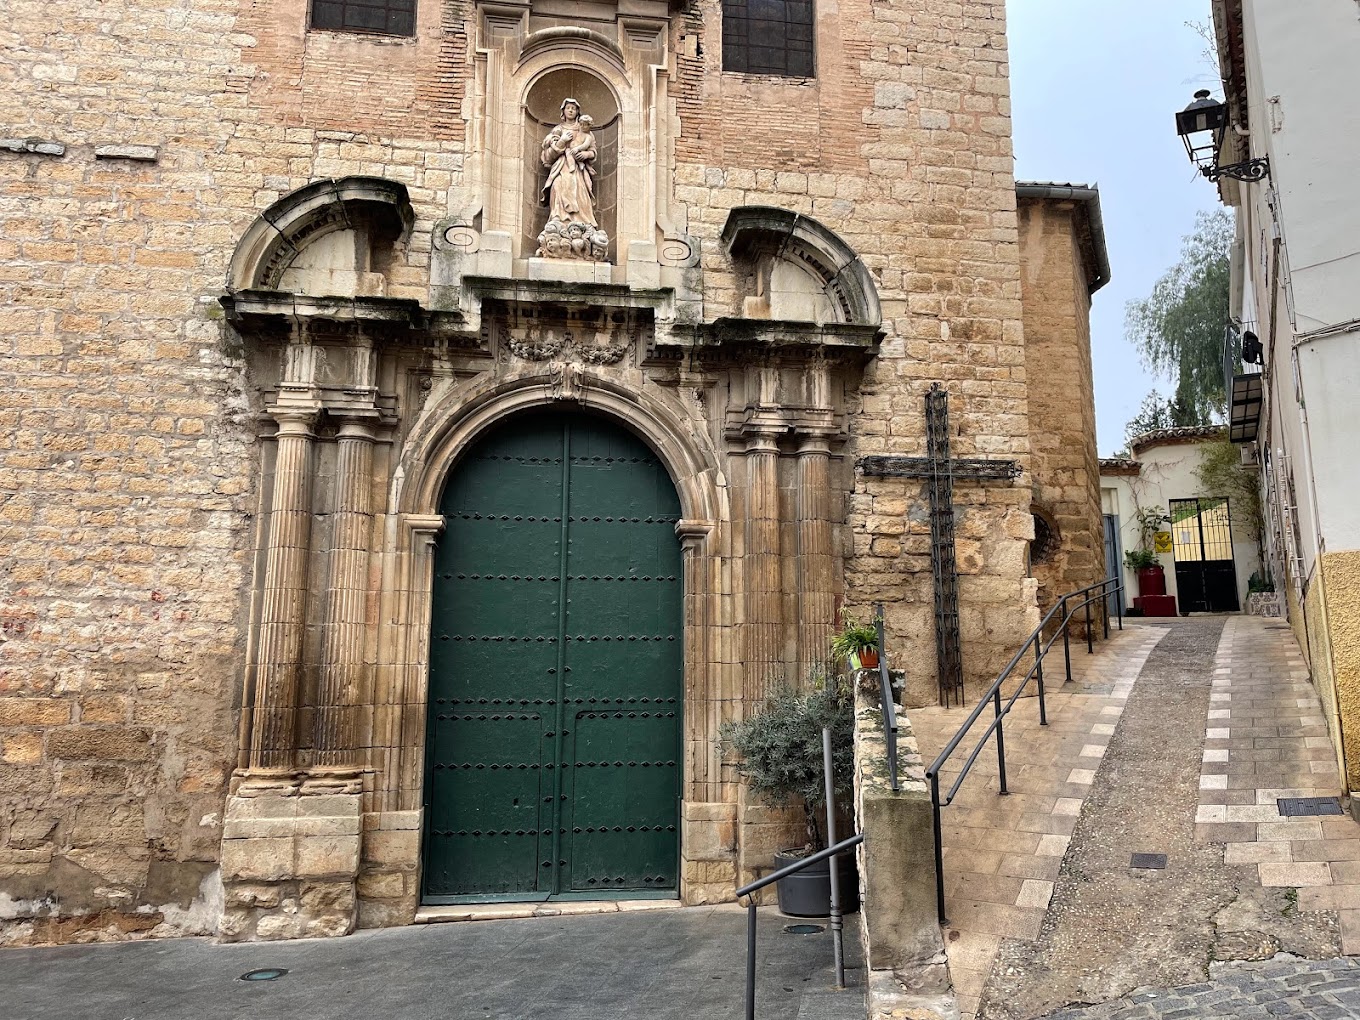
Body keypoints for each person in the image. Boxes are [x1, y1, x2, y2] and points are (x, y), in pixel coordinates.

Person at [541, 99, 597, 229]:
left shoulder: (584, 129)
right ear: (563, 111)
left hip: (578, 170)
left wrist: (586, 154)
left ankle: (582, 223)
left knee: (580, 192)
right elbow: (548, 157)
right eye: (568, 108)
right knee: (558, 186)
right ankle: (558, 219)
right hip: (561, 167)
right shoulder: (557, 130)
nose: (571, 110)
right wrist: (562, 141)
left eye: (573, 108)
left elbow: (593, 151)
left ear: (577, 111)